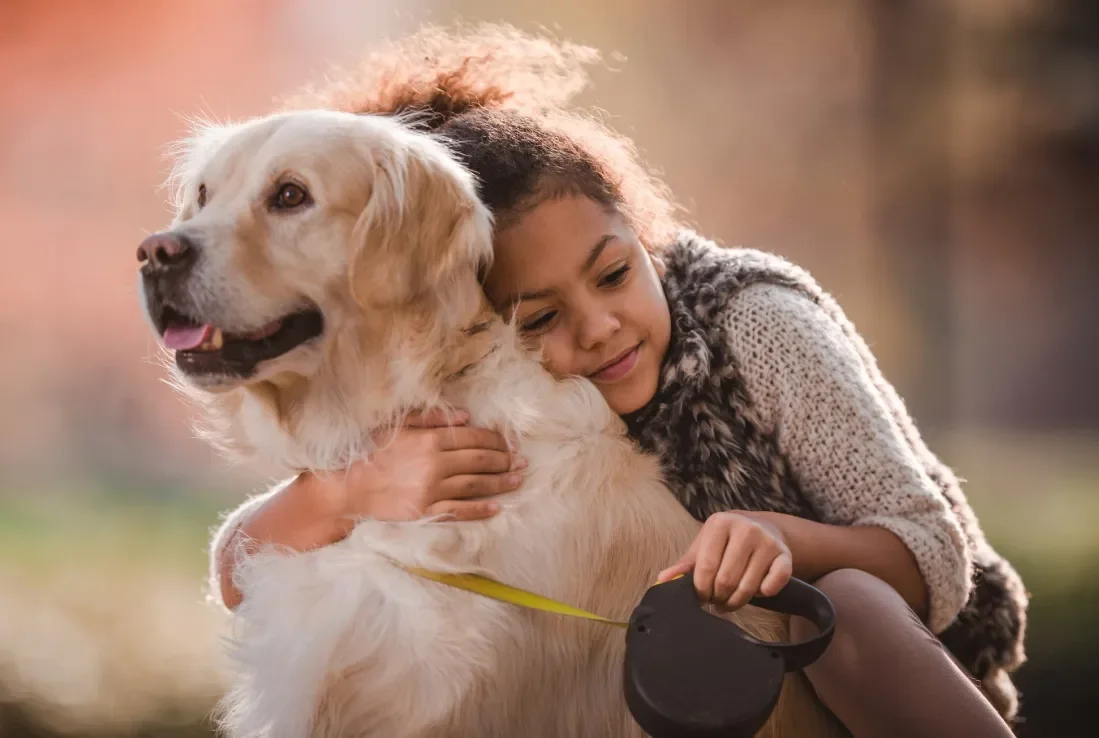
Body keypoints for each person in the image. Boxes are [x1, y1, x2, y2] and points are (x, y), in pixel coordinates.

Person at [206, 26, 1027, 737]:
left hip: (882, 671)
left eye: (612, 274)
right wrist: (347, 492)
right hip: (701, 688)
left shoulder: (757, 322)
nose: (597, 328)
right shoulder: (504, 398)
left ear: (642, 232)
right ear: (487, 335)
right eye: (540, 319)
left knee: (850, 600)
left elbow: (935, 552)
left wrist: (787, 539)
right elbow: (239, 570)